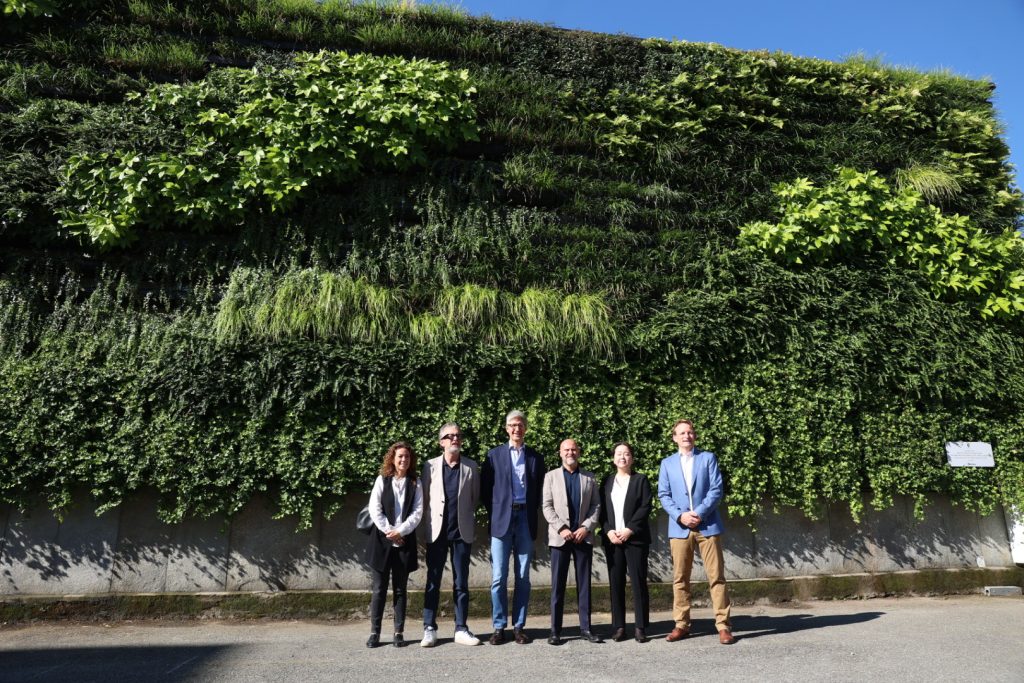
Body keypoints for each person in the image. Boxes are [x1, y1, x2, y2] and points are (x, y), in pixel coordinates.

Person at [657, 419, 736, 645]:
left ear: (695, 435)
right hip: (679, 527)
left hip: (707, 525)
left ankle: (723, 626)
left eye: (690, 432)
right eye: (682, 433)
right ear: (674, 437)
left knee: (716, 577)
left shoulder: (708, 458)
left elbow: (716, 489)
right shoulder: (667, 463)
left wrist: (699, 513)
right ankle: (681, 624)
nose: (686, 436)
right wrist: (680, 516)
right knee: (680, 578)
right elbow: (664, 495)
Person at [481, 410, 546, 645]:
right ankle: (499, 627)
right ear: (506, 429)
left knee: (523, 576)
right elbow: (485, 490)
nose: (516, 428)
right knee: (498, 577)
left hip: (525, 520)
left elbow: (540, 489)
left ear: (525, 428)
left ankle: (519, 626)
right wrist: (498, 511)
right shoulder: (493, 455)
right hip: (501, 521)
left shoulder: (535, 457)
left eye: (520, 425)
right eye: (512, 425)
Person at [420, 422, 482, 647]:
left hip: (461, 532)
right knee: (432, 581)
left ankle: (461, 628)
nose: (455, 439)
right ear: (441, 442)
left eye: (458, 435)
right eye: (450, 436)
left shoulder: (471, 467)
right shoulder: (429, 466)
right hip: (437, 532)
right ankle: (429, 627)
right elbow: (424, 499)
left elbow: (474, 499)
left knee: (461, 583)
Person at [541, 438, 602, 645]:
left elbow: (596, 505)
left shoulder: (589, 477)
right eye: (566, 449)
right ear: (560, 453)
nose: (570, 453)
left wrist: (586, 527)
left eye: (574, 449)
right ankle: (555, 631)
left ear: (579, 452)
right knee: (557, 586)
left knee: (584, 585)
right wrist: (562, 528)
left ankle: (586, 628)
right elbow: (547, 506)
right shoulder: (550, 477)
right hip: (560, 538)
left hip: (582, 538)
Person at [365, 441, 423, 648]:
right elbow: (374, 508)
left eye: (407, 456)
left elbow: (417, 512)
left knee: (400, 589)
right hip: (381, 542)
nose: (403, 459)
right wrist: (390, 531)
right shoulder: (382, 480)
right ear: (392, 458)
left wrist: (401, 531)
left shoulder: (415, 482)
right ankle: (375, 633)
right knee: (379, 589)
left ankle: (399, 632)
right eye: (400, 456)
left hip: (404, 541)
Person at [598, 441, 652, 643]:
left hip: (635, 539)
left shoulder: (640, 480)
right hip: (613, 540)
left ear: (632, 458)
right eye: (619, 454)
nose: (622, 457)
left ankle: (640, 627)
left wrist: (630, 529)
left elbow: (645, 506)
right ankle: (619, 626)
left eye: (627, 453)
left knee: (638, 582)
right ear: (613, 459)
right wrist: (608, 531)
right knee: (616, 583)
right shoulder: (607, 481)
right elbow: (601, 510)